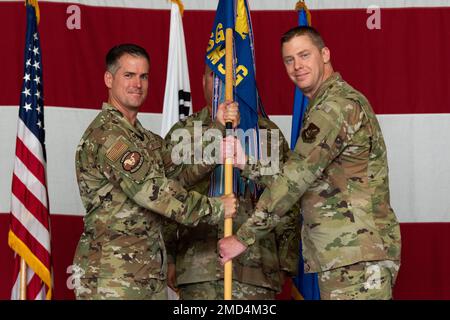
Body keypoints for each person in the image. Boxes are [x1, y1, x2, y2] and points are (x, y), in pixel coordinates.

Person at [218, 26, 402, 300]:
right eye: (289, 60)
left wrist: (242, 239)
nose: (297, 66)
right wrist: (248, 165)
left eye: (304, 55)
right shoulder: (326, 104)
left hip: (355, 257)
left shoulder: (334, 107)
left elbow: (294, 181)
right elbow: (309, 176)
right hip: (349, 255)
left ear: (325, 54)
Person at [72, 44, 238, 300]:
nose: (137, 84)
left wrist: (216, 126)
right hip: (112, 279)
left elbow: (179, 172)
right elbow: (155, 192)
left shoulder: (144, 139)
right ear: (109, 78)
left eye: (143, 76)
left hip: (145, 275)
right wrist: (215, 208)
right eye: (128, 75)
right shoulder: (108, 136)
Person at [162, 65, 300, 300]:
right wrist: (170, 258)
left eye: (229, 75)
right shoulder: (183, 132)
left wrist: (286, 261)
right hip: (198, 269)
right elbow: (167, 194)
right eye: (214, 75)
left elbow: (289, 197)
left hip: (257, 270)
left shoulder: (268, 134)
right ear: (202, 80)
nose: (221, 83)